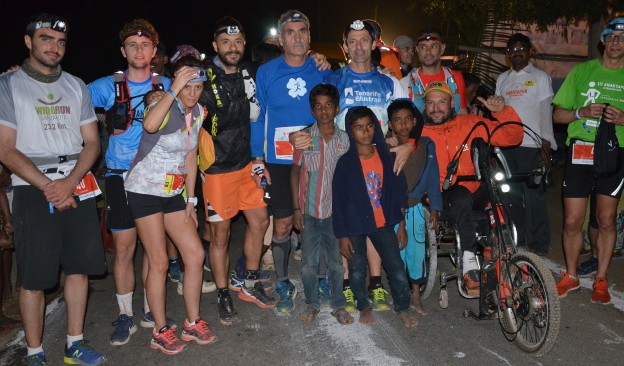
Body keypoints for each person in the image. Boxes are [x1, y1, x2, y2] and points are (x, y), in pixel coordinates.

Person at [0, 13, 106, 365]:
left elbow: (91, 143)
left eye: (61, 42)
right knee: (33, 277)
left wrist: (69, 183)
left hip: (76, 183)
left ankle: (74, 344)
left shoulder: (76, 84)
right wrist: (50, 186)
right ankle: (34, 353)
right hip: (33, 187)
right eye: (46, 39)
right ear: (29, 42)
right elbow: (5, 149)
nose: (54, 47)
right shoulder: (8, 84)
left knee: (78, 269)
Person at [88, 18, 175, 346]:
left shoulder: (168, 85)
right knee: (124, 249)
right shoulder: (104, 86)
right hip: (119, 176)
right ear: (123, 49)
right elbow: (65, 100)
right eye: (133, 45)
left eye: (146, 45)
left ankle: (151, 310)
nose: (140, 50)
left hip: (154, 177)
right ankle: (125, 313)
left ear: (154, 51)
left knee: (155, 250)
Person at [124, 58, 217, 354]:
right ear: (176, 84)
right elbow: (150, 125)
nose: (192, 93)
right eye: (187, 87)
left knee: (194, 254)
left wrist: (191, 199)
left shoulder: (199, 111)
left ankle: (192, 322)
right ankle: (160, 330)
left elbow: (191, 155)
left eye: (197, 87)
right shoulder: (164, 105)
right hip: (144, 189)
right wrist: (173, 90)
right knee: (160, 260)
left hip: (174, 191)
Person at [251, 9, 332, 313]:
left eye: (303, 31)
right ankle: (283, 282)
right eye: (290, 32)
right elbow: (257, 117)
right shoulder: (267, 72)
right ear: (281, 39)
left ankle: (323, 278)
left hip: (317, 158)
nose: (297, 37)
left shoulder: (323, 69)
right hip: (279, 161)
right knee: (283, 224)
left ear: (309, 36)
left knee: (320, 220)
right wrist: (256, 157)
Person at [198, 16, 275, 326]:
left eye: (238, 42)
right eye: (226, 42)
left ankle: (249, 281)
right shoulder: (202, 78)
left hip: (248, 164)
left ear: (245, 44)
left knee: (260, 220)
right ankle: (221, 292)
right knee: (221, 235)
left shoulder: (252, 71)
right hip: (217, 169)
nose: (233, 47)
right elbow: (206, 121)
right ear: (215, 46)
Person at [421, 81, 523, 295]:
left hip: (474, 188)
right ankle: (469, 264)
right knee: (461, 196)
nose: (436, 108)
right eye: (430, 103)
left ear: (452, 104)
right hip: (442, 195)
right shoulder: (419, 133)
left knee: (500, 187)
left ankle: (502, 249)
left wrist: (502, 112)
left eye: (442, 102)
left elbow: (512, 136)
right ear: (425, 106)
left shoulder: (471, 123)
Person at [552, 17, 624, 305]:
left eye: (623, 38)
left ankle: (601, 278)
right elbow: (558, 115)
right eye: (613, 36)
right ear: (603, 41)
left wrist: (622, 118)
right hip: (581, 150)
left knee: (606, 219)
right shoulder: (582, 72)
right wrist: (581, 112)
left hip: (615, 152)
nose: (618, 42)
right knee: (572, 220)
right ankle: (570, 276)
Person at [332, 106, 418, 328]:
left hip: (383, 223)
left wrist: (401, 225)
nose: (365, 132)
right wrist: (342, 235)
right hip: (355, 226)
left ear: (376, 127)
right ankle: (364, 306)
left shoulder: (387, 157)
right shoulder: (345, 163)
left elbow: (399, 193)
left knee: (397, 267)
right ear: (351, 131)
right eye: (359, 128)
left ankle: (403, 307)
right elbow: (338, 201)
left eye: (369, 126)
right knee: (357, 269)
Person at [291, 84, 354, 325]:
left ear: (337, 108)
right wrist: (296, 208)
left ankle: (339, 305)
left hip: (335, 214)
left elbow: (350, 178)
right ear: (312, 110)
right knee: (308, 264)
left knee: (336, 264)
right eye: (318, 106)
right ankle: (312, 303)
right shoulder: (304, 138)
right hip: (308, 212)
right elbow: (295, 173)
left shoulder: (346, 141)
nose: (324, 110)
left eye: (329, 105)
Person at [496, 33, 557, 256]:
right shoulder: (502, 79)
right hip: (507, 145)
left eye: (522, 49)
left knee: (534, 197)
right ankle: (517, 238)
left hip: (532, 144)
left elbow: (545, 111)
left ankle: (539, 244)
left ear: (529, 51)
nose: (517, 53)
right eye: (513, 50)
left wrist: (546, 143)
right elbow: (498, 111)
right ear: (508, 54)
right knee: (510, 194)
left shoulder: (540, 77)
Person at [387, 99, 442, 315]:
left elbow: (433, 178)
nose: (403, 124)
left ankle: (416, 296)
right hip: (393, 209)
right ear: (390, 124)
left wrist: (436, 208)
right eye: (397, 120)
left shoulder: (427, 145)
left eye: (407, 119)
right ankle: (401, 293)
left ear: (414, 121)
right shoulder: (386, 146)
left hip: (416, 207)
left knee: (417, 251)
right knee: (396, 252)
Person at [401, 27, 467, 114]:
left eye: (433, 46)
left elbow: (462, 113)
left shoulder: (455, 78)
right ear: (417, 50)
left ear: (442, 48)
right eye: (423, 47)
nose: (428, 51)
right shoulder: (406, 84)